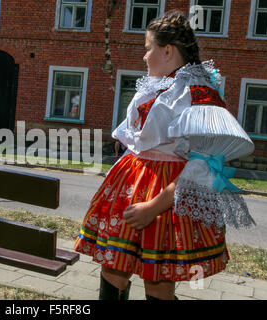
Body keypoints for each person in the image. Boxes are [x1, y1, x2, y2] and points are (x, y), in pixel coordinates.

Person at [74, 10, 256, 300]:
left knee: (157, 279)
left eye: (148, 48)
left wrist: (154, 207)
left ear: (168, 51)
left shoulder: (198, 93)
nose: (144, 56)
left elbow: (205, 164)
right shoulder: (158, 85)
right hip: (131, 186)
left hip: (167, 199)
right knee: (114, 267)